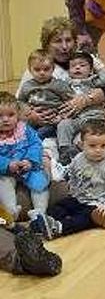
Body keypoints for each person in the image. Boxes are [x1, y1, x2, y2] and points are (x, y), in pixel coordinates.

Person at [16, 17, 105, 131]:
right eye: (58, 41)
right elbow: (17, 102)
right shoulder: (40, 67)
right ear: (47, 44)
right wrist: (31, 115)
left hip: (90, 117)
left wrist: (87, 99)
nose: (64, 47)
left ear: (75, 41)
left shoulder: (84, 58)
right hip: (54, 125)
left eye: (68, 40)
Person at [30, 120, 105, 239]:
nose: (98, 150)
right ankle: (42, 222)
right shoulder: (79, 158)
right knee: (59, 206)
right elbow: (72, 173)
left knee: (84, 218)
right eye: (92, 146)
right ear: (82, 144)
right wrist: (69, 186)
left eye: (104, 146)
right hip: (77, 197)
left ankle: (59, 228)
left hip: (97, 203)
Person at [0, 92, 50, 220]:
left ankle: (40, 213)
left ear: (17, 115)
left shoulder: (24, 129)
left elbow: (36, 145)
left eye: (11, 115)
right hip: (6, 171)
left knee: (40, 182)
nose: (5, 120)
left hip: (27, 166)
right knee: (3, 183)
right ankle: (11, 210)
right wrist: (7, 164)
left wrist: (30, 160)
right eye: (0, 116)